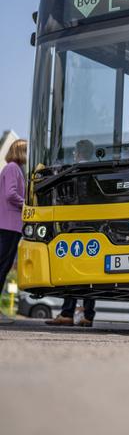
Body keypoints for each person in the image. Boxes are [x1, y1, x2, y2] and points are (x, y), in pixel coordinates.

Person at [46, 139, 97, 328]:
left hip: (73, 225)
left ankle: (67, 313)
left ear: (78, 153)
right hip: (91, 226)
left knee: (70, 268)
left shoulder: (72, 171)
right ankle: (88, 316)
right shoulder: (95, 171)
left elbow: (65, 197)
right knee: (89, 272)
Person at [0, 139, 27, 324]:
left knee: (3, 268)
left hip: (10, 226)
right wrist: (25, 205)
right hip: (8, 225)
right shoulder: (12, 168)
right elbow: (11, 194)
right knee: (1, 267)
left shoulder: (15, 168)